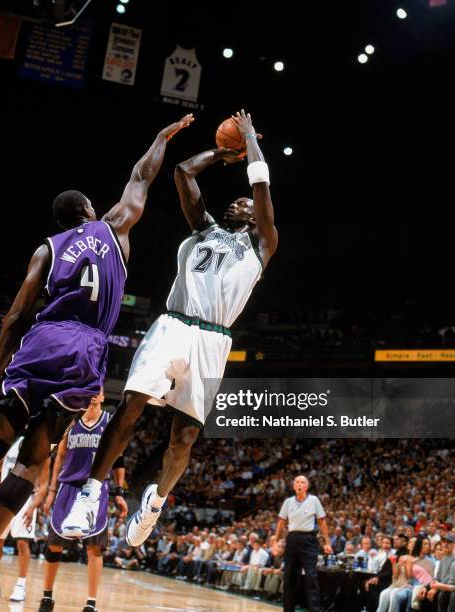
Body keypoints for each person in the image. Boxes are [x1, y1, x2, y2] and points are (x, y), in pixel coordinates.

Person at [0, 113, 194, 602]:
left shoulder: (46, 249)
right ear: (90, 210)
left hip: (42, 342)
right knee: (31, 463)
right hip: (85, 350)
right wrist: (161, 136)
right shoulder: (114, 228)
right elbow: (141, 178)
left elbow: (14, 316)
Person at [60, 109, 278, 547]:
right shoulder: (204, 229)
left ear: (256, 217)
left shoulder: (262, 243)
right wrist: (222, 151)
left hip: (213, 340)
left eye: (246, 204)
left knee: (184, 437)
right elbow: (182, 172)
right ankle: (91, 490)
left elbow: (261, 184)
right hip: (173, 323)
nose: (239, 201)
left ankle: (154, 505)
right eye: (236, 201)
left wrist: (251, 137)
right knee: (132, 402)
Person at [37, 391, 127, 612]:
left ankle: (91, 603)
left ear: (104, 397)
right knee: (54, 543)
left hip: (95, 488)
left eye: (99, 392)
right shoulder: (71, 418)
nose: (94, 395)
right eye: (91, 391)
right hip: (67, 486)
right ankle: (47, 597)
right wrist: (51, 490)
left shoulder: (109, 421)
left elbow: (118, 459)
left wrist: (119, 491)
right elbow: (59, 455)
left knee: (94, 548)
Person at [0, 440, 50, 602]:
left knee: (22, 543)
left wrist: (33, 506)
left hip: (26, 498)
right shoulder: (13, 441)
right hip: (5, 495)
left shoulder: (44, 445)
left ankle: (21, 586)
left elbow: (44, 483)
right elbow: (0, 466)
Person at [275, 475, 332, 612]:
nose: (300, 484)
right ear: (294, 486)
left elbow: (322, 522)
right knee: (289, 578)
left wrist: (327, 543)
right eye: (297, 482)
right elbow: (281, 522)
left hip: (309, 540)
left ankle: (314, 610)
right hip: (292, 539)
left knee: (311, 578)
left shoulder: (314, 500)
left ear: (306, 486)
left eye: (302, 482)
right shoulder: (288, 502)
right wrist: (276, 541)